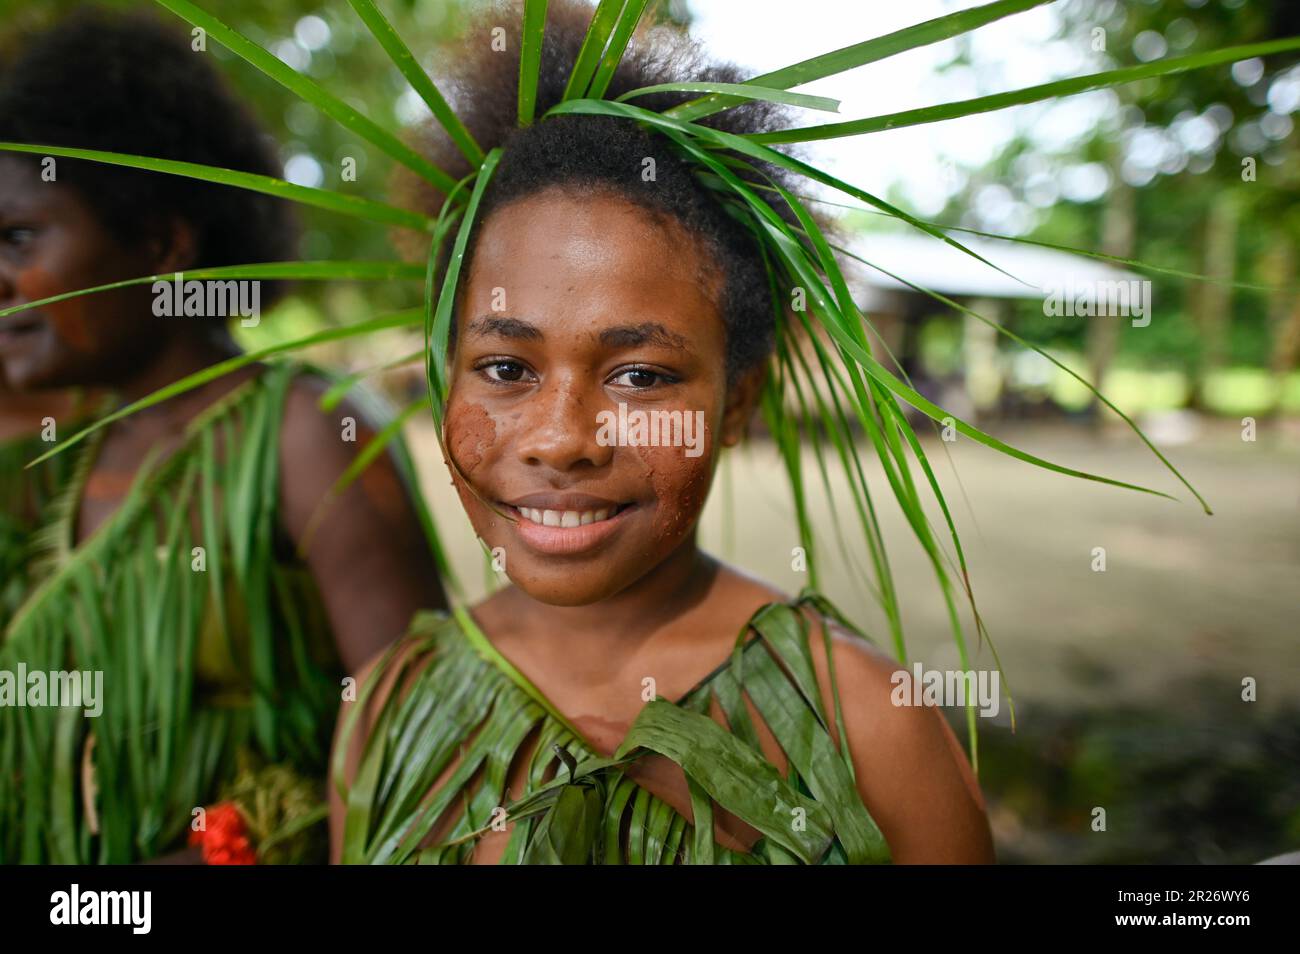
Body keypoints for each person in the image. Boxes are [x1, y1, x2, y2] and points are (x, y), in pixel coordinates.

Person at [331, 0, 993, 865]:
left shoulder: (871, 726)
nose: (561, 439)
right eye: (505, 369)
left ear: (740, 402)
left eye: (640, 376)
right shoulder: (389, 706)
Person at [0, 9, 446, 864]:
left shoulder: (306, 436)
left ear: (162, 242)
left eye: (20, 236)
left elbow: (425, 748)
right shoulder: (69, 458)